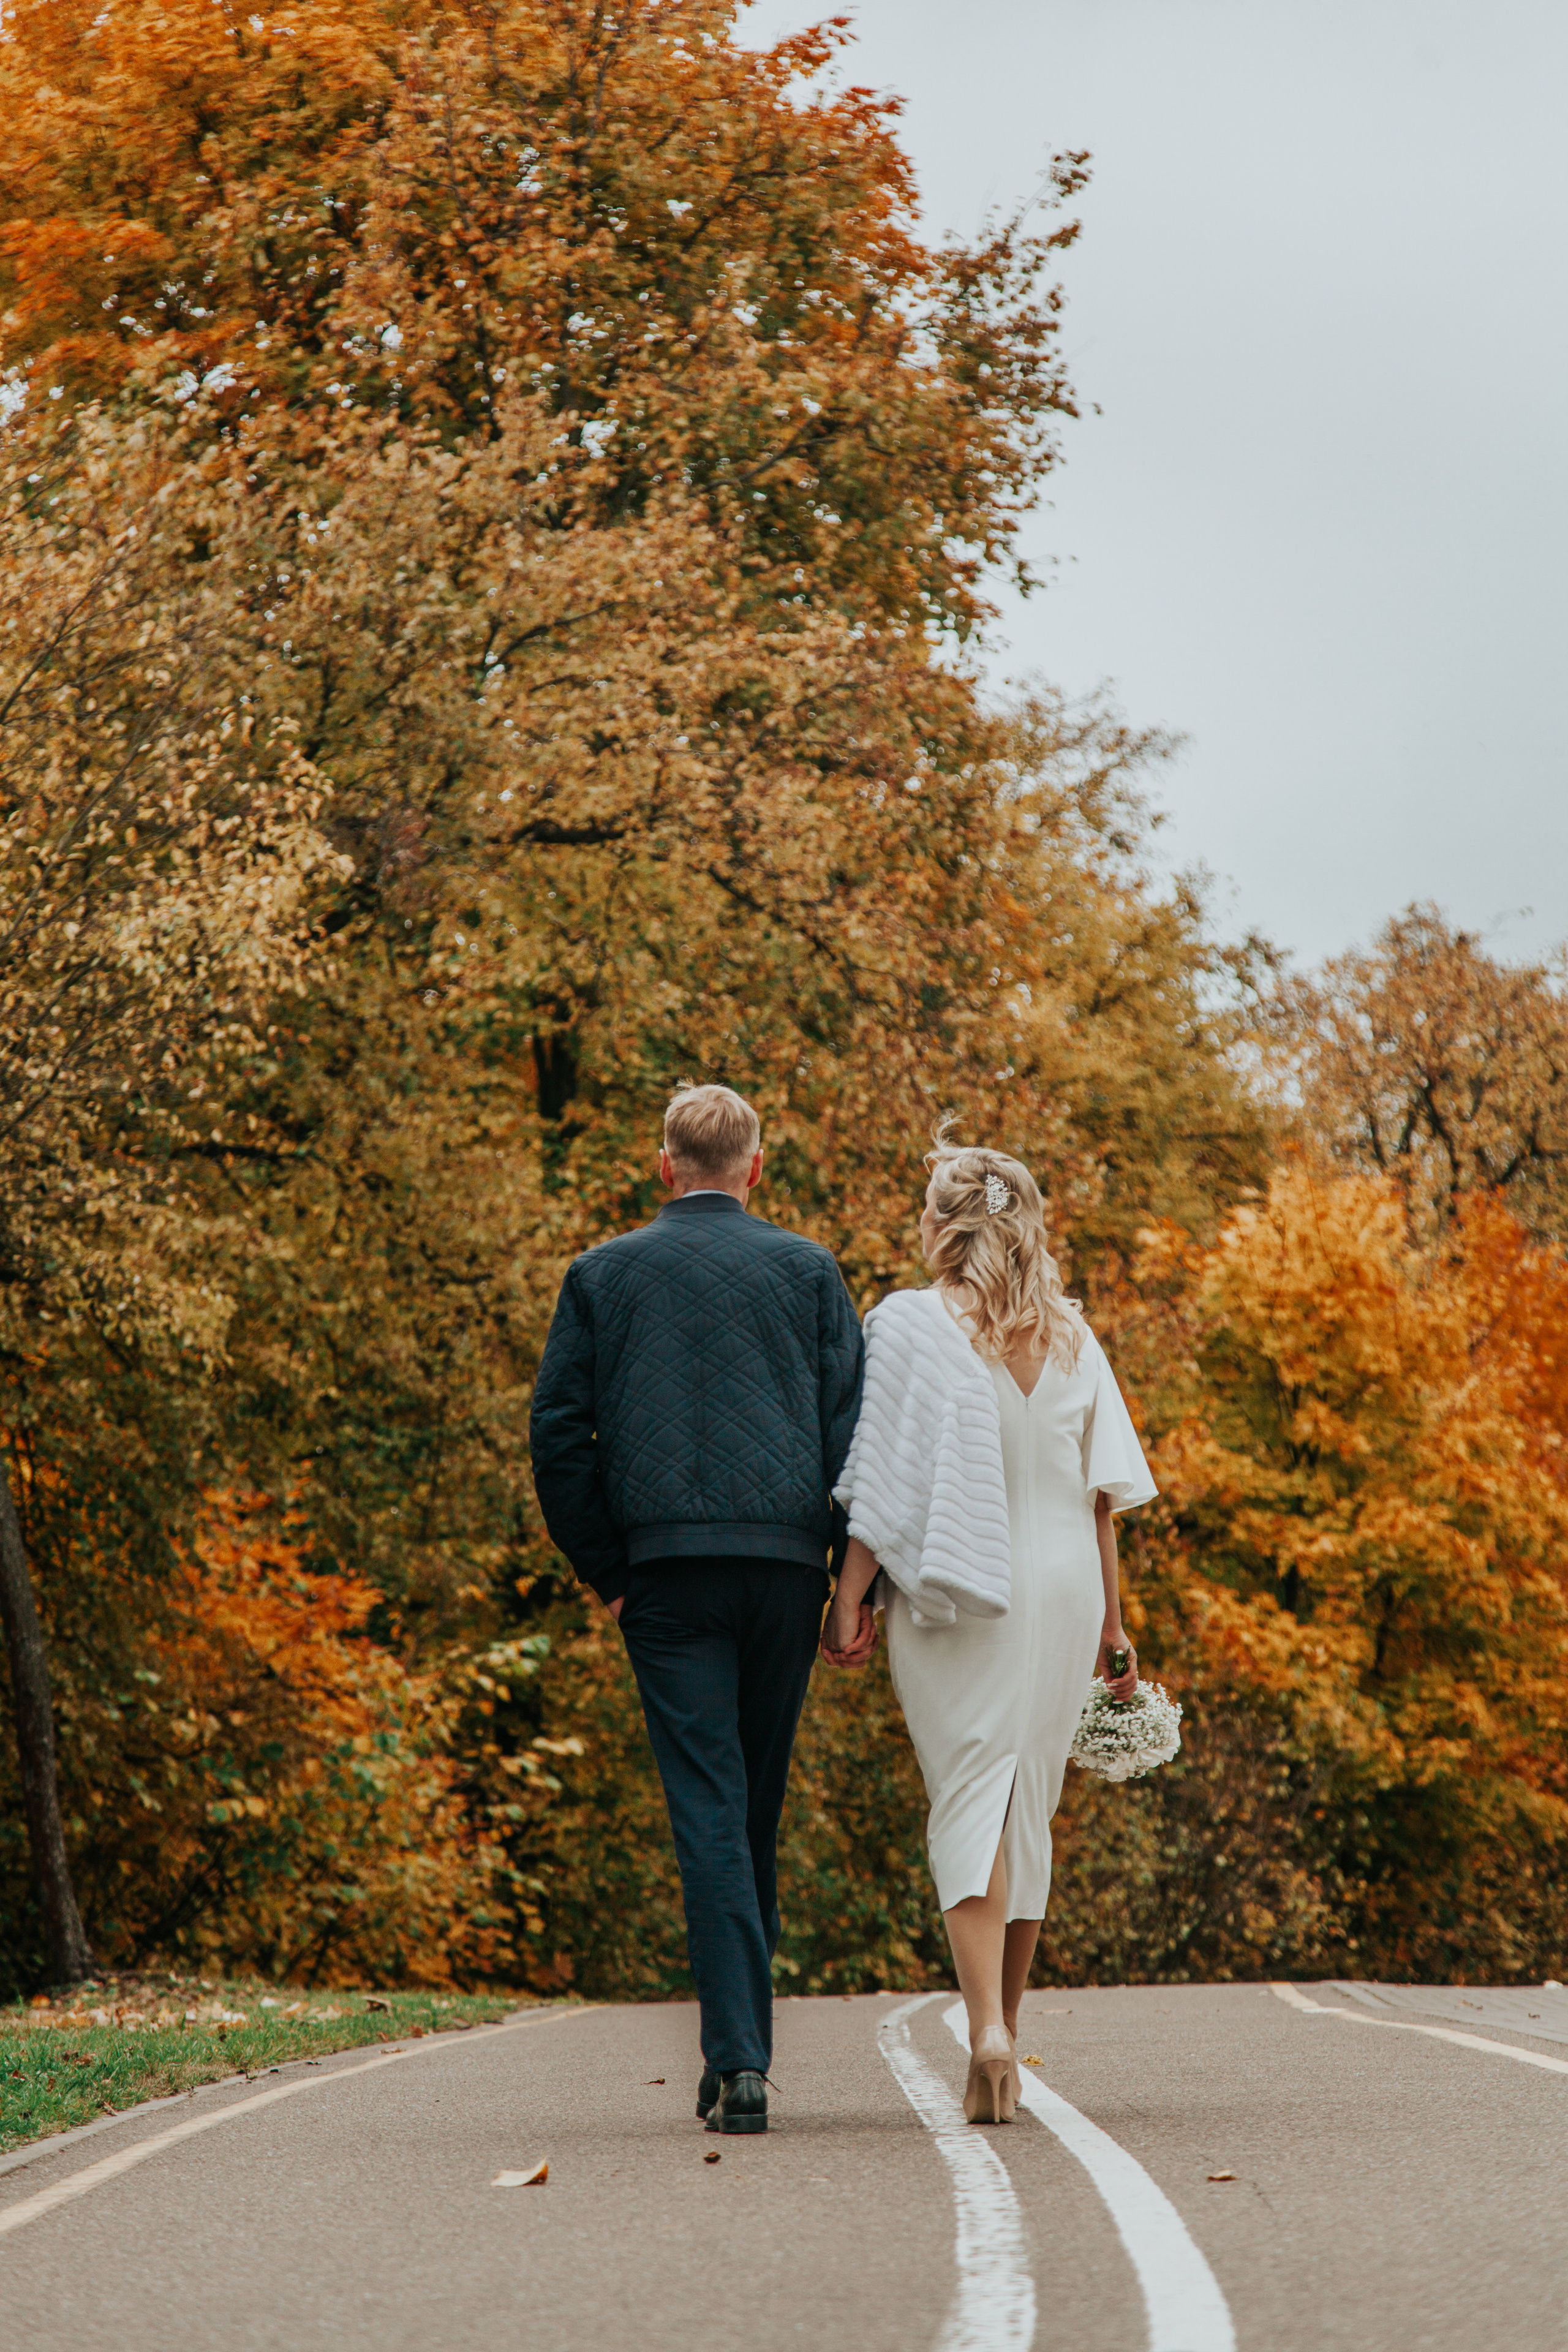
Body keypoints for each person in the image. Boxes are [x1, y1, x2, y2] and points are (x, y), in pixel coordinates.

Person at [529, 1082, 868, 2136]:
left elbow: (557, 1434)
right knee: (751, 1806)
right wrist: (847, 1578)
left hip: (667, 1575)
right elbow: (856, 1435)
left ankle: (739, 2059)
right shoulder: (809, 1271)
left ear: (664, 1165)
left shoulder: (601, 1274)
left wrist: (610, 1572)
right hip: (784, 1570)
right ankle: (741, 2052)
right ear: (755, 1166)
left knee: (710, 1808)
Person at [823, 1131, 1155, 2124]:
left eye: (928, 1209)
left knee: (970, 1793)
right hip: (1066, 1591)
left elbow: (882, 1483)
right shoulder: (1073, 1336)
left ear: (946, 1228)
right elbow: (1102, 1501)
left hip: (959, 1586)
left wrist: (848, 1597)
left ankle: (986, 2034)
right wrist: (1117, 1632)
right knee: (1027, 1808)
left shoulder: (911, 1325)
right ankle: (1007, 2021)